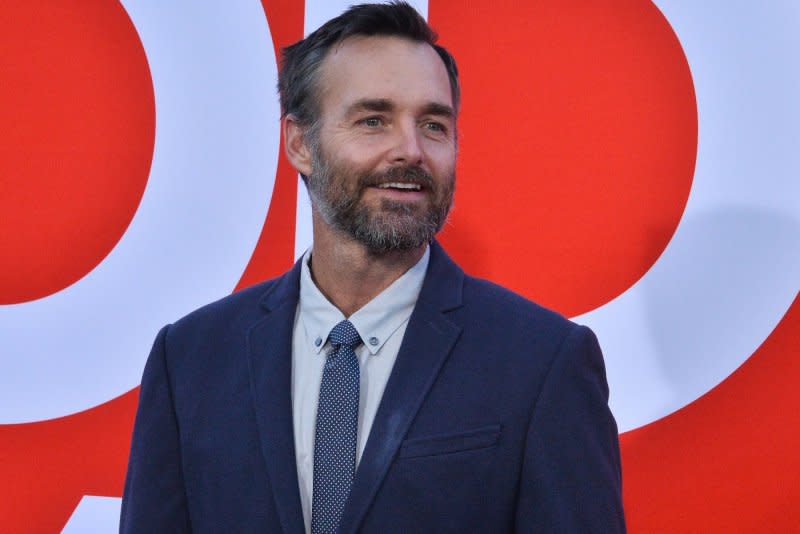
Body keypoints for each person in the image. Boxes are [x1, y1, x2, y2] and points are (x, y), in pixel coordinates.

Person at [120, 2, 625, 532]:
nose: (410, 150)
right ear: (299, 143)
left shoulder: (542, 362)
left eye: (433, 124)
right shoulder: (191, 360)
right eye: (373, 120)